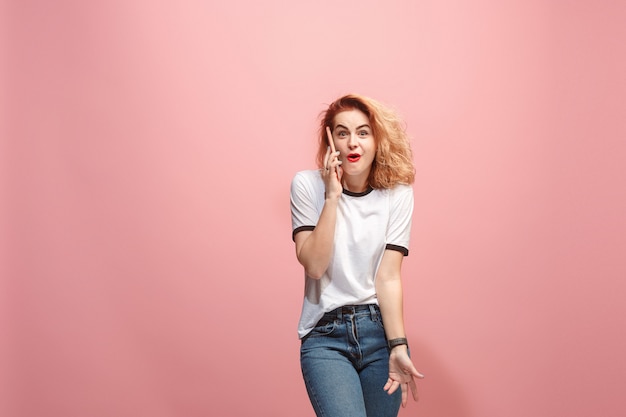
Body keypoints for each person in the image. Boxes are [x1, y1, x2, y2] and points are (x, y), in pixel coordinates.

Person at [290, 94, 424, 417]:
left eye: (363, 132)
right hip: (325, 338)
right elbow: (315, 265)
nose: (353, 143)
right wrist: (332, 197)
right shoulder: (307, 186)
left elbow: (388, 276)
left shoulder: (398, 195)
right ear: (330, 140)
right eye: (342, 133)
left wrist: (398, 345)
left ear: (378, 140)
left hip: (378, 334)